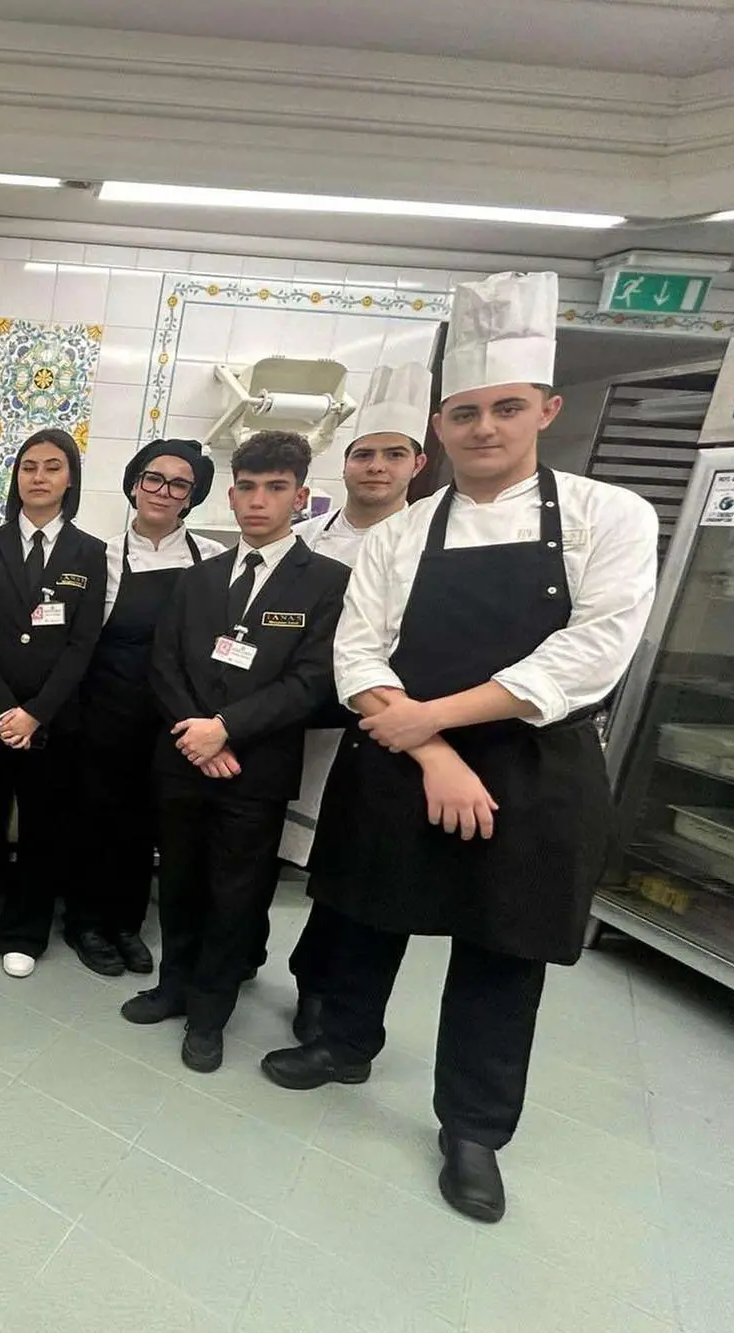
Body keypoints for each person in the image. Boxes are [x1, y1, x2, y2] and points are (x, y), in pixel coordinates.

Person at [260, 272, 658, 1224]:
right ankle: (342, 1043)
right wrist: (430, 748)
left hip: (534, 762)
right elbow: (359, 649)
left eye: (506, 409)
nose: (485, 429)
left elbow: (591, 651)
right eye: (467, 412)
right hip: (404, 755)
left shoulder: (610, 517)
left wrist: (436, 720)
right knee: (365, 912)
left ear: (546, 411)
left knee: (501, 948)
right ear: (442, 426)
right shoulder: (401, 535)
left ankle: (473, 1130)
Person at [122, 431, 348, 1072]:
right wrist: (198, 731)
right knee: (182, 880)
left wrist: (226, 728)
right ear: (230, 493)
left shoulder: (326, 582)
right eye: (247, 488)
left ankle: (210, 1012)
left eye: (275, 488)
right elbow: (165, 662)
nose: (258, 501)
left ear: (300, 498)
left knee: (236, 892)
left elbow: (312, 680)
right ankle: (173, 986)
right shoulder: (200, 576)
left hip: (256, 768)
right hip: (185, 758)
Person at [283, 362, 432, 1042]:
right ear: (345, 463)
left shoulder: (431, 544)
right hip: (300, 726)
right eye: (365, 453)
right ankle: (291, 975)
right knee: (292, 860)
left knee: (359, 873)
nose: (377, 467)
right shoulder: (304, 541)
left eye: (392, 454)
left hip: (385, 730)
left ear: (417, 463)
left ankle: (333, 1006)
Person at [63, 439, 226, 978]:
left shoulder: (211, 562)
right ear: (135, 485)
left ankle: (127, 925)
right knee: (94, 820)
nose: (163, 491)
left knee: (147, 826)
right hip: (106, 712)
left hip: (175, 721)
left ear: (191, 498)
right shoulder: (99, 556)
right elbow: (79, 641)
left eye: (179, 485)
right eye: (154, 479)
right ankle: (86, 922)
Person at [0, 428, 107, 979]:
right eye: (28, 467)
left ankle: (25, 931)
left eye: (51, 467)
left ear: (71, 479)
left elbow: (83, 643)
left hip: (54, 721)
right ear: (15, 478)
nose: (38, 478)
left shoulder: (90, 553)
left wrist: (36, 712)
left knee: (45, 828)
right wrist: (2, 709)